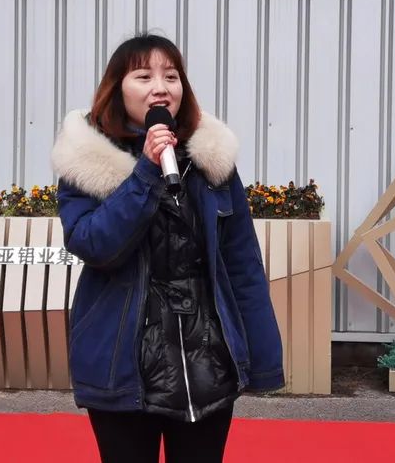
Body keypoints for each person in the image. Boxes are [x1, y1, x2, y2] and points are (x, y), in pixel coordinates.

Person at [51, 33, 283, 463]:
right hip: (123, 363)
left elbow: (242, 263)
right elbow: (92, 243)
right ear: (117, 89)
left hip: (207, 363)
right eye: (144, 76)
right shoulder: (86, 160)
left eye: (171, 76)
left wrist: (264, 357)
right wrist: (145, 173)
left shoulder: (211, 161)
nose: (161, 88)